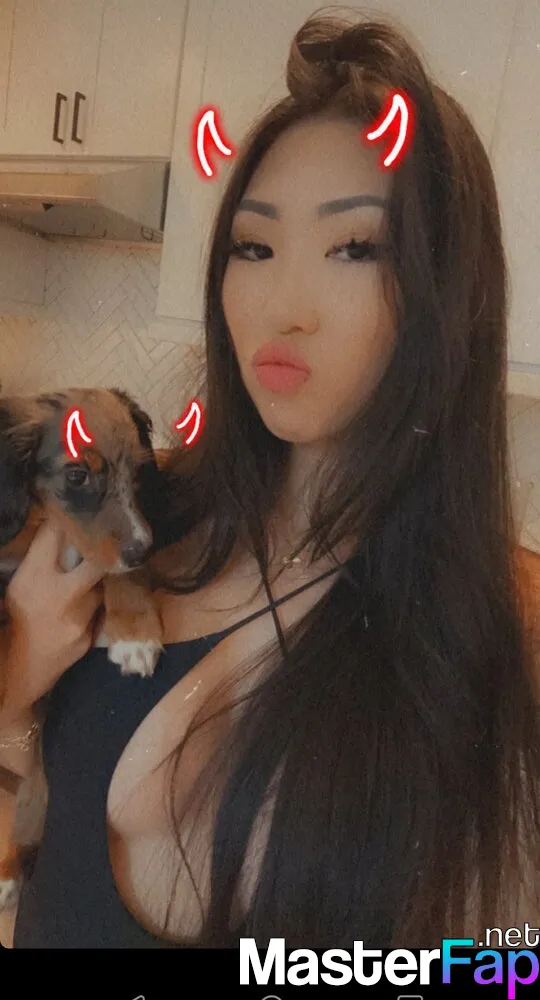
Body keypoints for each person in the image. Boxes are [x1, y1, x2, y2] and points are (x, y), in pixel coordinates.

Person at [1, 8, 540, 950]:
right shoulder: (144, 517)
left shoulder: (489, 648)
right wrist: (20, 674)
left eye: (356, 248)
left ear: (446, 296)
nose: (282, 306)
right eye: (253, 247)